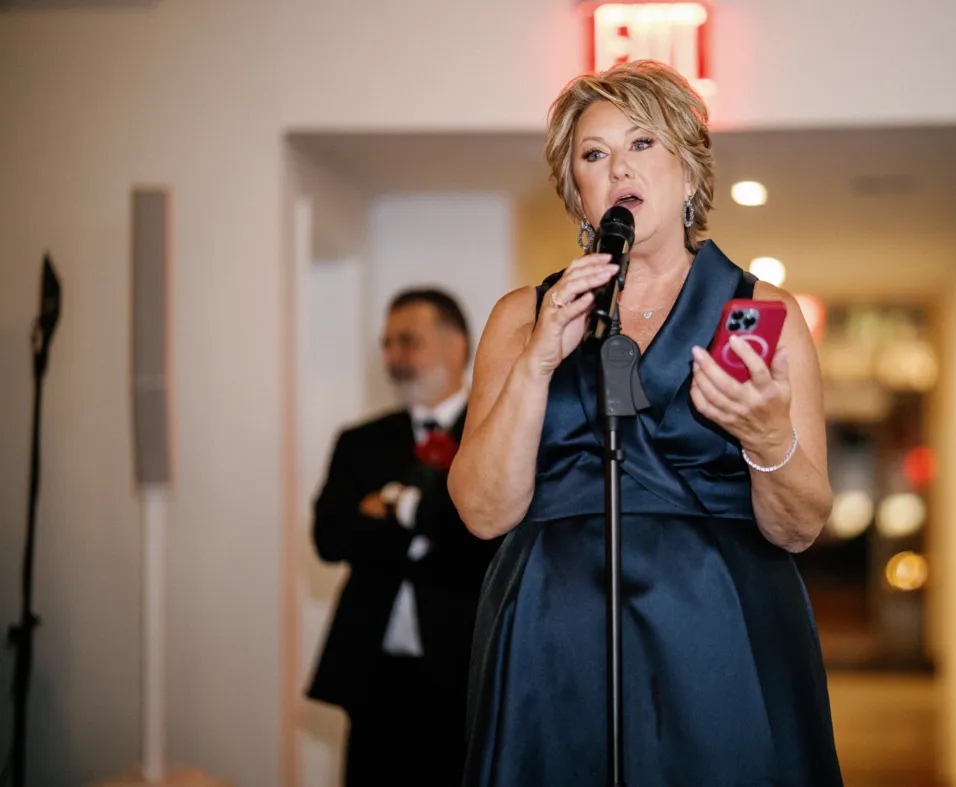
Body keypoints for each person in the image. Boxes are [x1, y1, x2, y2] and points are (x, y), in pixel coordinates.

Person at [448, 60, 844, 786]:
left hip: (719, 621)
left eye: (641, 145)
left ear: (690, 173)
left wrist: (764, 439)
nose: (617, 168)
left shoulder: (756, 313)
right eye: (593, 156)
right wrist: (538, 364)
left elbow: (799, 526)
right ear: (577, 193)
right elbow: (480, 511)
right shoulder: (522, 316)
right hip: (553, 628)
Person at [306, 288, 501, 787]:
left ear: (457, 346)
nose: (392, 357)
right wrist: (431, 526)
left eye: (407, 341)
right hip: (375, 676)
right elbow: (330, 537)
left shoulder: (495, 433)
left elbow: (489, 540)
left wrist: (393, 508)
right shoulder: (361, 442)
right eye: (387, 344)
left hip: (464, 671)